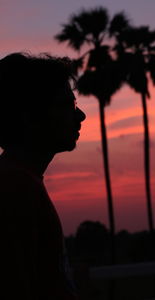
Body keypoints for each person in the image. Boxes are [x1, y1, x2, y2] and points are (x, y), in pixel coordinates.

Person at [0, 52, 86, 299]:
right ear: (30, 116)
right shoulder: (14, 188)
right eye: (68, 105)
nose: (80, 116)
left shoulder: (23, 181)